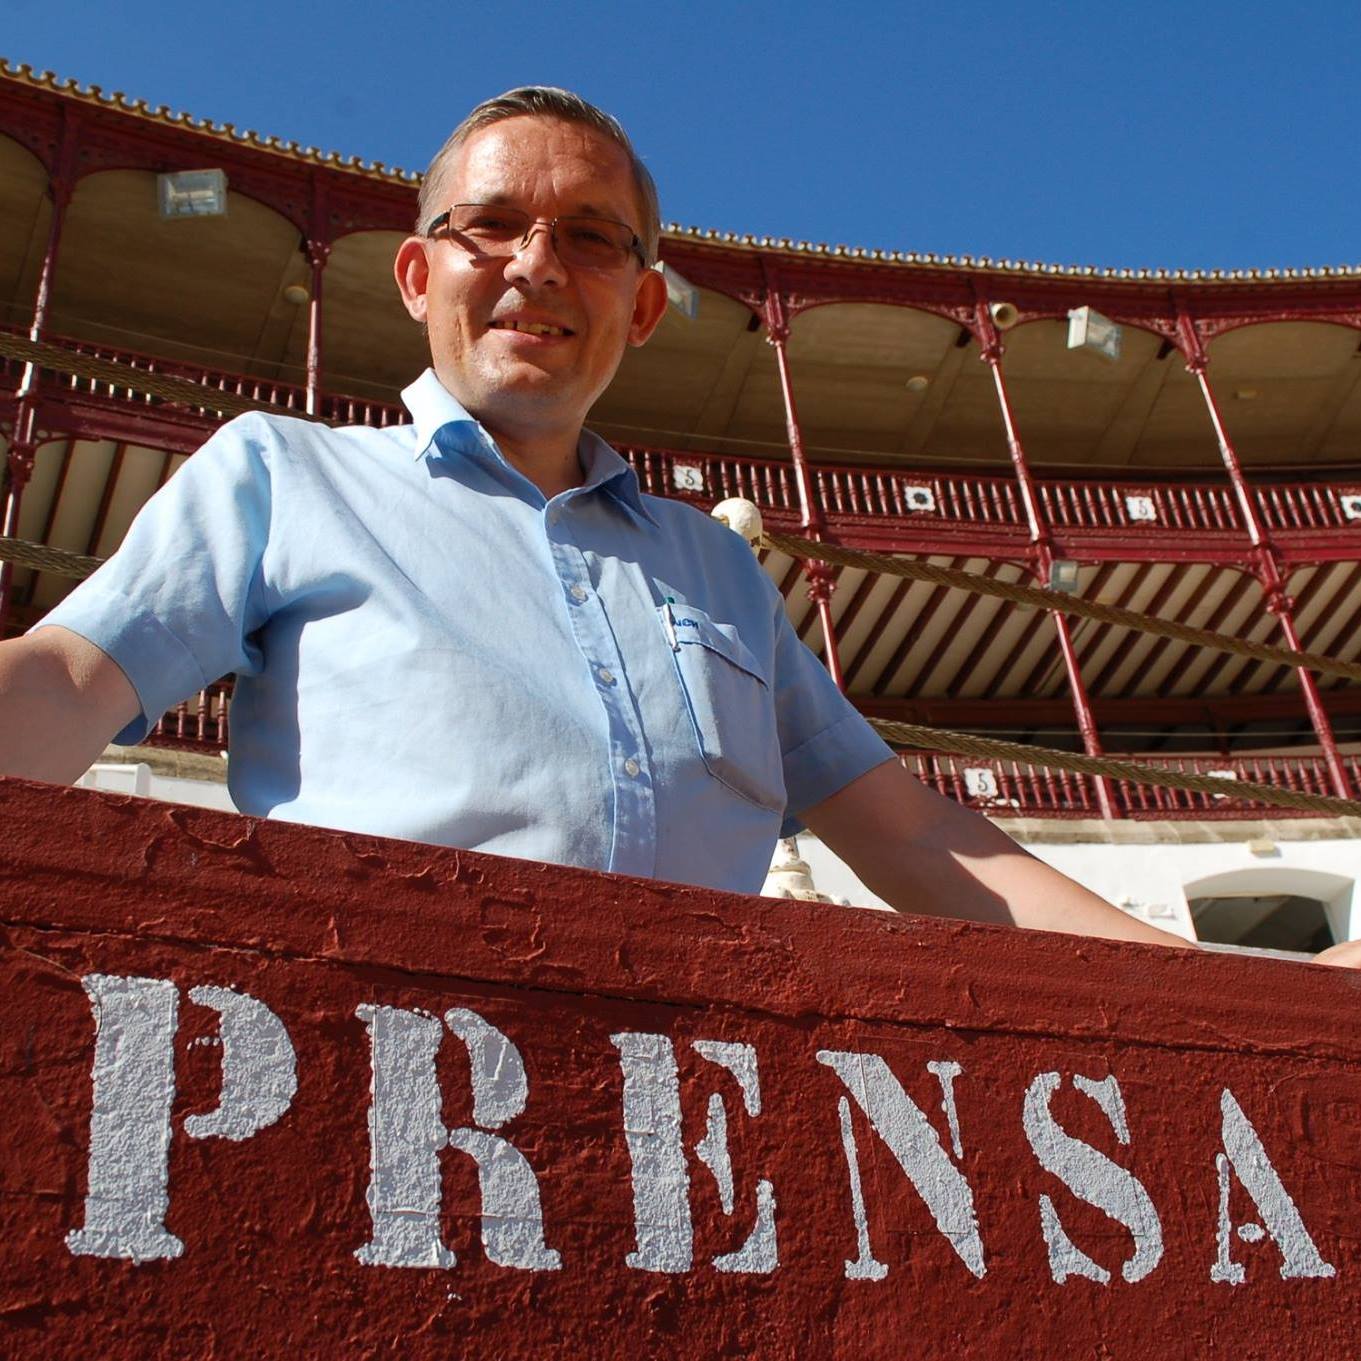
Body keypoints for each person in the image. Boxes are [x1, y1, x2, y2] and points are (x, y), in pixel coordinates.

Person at [0, 87, 1353, 962]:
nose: (535, 265)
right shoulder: (281, 473)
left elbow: (911, 834)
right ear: (418, 276)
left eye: (591, 237)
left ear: (642, 306)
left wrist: (1199, 976)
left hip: (707, 1116)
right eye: (489, 228)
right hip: (377, 1066)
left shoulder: (713, 565)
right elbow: (73, 676)